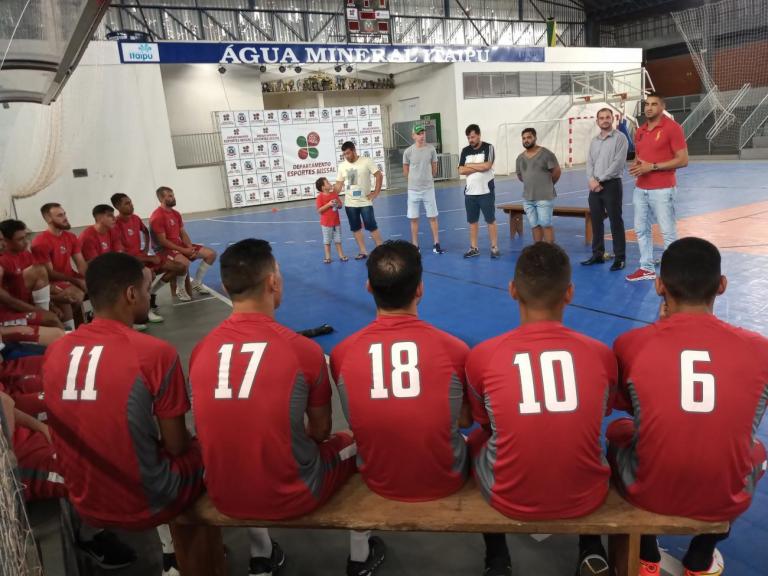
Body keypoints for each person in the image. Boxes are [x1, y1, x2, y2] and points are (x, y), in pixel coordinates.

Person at [42, 252, 224, 576]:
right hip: (144, 501)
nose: (147, 294)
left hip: (84, 499)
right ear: (130, 294)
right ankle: (213, 556)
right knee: (216, 449)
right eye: (145, 288)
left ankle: (170, 553)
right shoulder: (154, 353)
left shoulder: (56, 349)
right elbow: (177, 447)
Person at [190, 238, 360, 575]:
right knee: (358, 441)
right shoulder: (303, 352)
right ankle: (361, 553)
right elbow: (321, 432)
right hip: (293, 494)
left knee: (239, 444)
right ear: (272, 282)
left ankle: (262, 553)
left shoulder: (201, 350)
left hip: (223, 492)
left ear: (226, 285)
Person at [611, 237, 767, 576]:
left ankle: (646, 553)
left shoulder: (631, 344)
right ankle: (701, 557)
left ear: (659, 286)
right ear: (722, 285)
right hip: (723, 496)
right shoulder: (760, 349)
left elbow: (628, 406)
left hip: (647, 491)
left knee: (619, 432)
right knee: (755, 451)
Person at [466, 242, 616, 576]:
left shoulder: (483, 356)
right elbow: (602, 413)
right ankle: (592, 549)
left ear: (512, 290)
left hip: (509, 496)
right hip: (587, 494)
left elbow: (484, 423)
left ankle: (497, 559)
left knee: (477, 440)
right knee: (594, 438)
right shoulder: (601, 354)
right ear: (570, 293)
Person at [331, 240, 473, 575]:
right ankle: (497, 556)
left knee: (353, 439)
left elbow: (357, 420)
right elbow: (465, 420)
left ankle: (359, 554)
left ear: (368, 287)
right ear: (420, 289)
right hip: (446, 478)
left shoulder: (342, 353)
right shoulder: (455, 350)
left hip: (378, 477)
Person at [626, 92, 688, 282]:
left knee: (667, 232)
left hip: (662, 189)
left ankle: (673, 272)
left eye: (654, 104)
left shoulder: (673, 128)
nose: (649, 107)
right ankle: (646, 268)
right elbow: (640, 156)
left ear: (662, 107)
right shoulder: (640, 130)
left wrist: (652, 166)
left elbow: (683, 160)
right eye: (646, 104)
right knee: (641, 230)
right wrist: (637, 165)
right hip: (640, 188)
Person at [111, 192, 185, 323]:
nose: (131, 205)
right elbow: (123, 256)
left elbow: (145, 231)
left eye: (130, 202)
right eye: (127, 203)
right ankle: (147, 310)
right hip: (129, 263)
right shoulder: (116, 225)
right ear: (117, 207)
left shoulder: (135, 218)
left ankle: (151, 293)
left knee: (180, 267)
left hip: (142, 258)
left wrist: (145, 249)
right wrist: (149, 259)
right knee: (147, 275)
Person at [0, 219, 66, 345]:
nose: (26, 242)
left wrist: (50, 306)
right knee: (54, 324)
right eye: (20, 239)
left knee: (62, 305)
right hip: (5, 317)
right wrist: (39, 312)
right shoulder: (3, 261)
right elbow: (7, 299)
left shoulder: (24, 254)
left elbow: (38, 283)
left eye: (2, 240)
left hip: (18, 307)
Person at [150, 186, 217, 301]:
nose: (173, 198)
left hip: (177, 245)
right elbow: (163, 241)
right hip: (164, 249)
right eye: (170, 196)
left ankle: (196, 282)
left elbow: (182, 233)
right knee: (184, 263)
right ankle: (180, 289)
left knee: (211, 254)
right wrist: (184, 250)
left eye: (173, 195)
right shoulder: (157, 216)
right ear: (161, 199)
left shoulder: (176, 214)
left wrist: (190, 248)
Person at [582, 108, 628, 271]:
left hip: (612, 184)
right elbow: (589, 162)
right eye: (601, 118)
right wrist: (591, 180)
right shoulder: (594, 141)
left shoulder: (620, 138)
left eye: (607, 117)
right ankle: (597, 254)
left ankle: (620, 258)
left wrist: (599, 180)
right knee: (596, 221)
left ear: (612, 119)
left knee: (616, 221)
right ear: (597, 121)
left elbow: (618, 163)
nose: (605, 120)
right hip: (594, 186)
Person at [31, 203, 87, 331]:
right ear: (48, 219)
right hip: (52, 282)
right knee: (74, 295)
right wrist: (76, 281)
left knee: (99, 286)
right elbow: (49, 274)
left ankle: (82, 327)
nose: (65, 218)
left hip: (68, 279)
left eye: (64, 214)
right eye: (60, 215)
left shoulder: (71, 237)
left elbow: (81, 264)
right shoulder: (41, 242)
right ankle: (67, 328)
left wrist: (88, 279)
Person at [334, 141, 384, 260]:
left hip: (365, 201)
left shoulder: (366, 161)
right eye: (344, 154)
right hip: (350, 204)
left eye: (348, 153)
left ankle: (381, 250)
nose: (346, 156)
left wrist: (376, 192)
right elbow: (339, 184)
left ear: (354, 150)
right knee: (355, 228)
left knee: (371, 226)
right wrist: (330, 194)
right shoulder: (342, 166)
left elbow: (378, 175)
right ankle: (363, 251)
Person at [459, 124, 500, 258]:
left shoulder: (488, 147)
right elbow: (461, 170)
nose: (470, 140)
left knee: (490, 220)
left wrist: (469, 165)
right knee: (472, 221)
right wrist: (478, 167)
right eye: (468, 138)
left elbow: (487, 165)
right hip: (470, 193)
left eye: (472, 137)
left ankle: (494, 247)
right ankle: (474, 248)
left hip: (486, 192)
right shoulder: (465, 150)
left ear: (479, 135)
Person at [403, 124, 444, 253]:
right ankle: (415, 245)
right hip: (413, 190)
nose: (422, 135)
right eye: (419, 133)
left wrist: (428, 178)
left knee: (433, 216)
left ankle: (436, 243)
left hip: (428, 189)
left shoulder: (431, 149)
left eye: (423, 133)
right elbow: (405, 170)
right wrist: (413, 180)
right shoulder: (408, 152)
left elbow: (434, 168)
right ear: (413, 136)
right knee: (414, 218)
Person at [515, 128, 561, 244]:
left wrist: (548, 185)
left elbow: (556, 171)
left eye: (529, 137)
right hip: (528, 198)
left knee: (546, 224)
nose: (526, 140)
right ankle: (538, 250)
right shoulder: (520, 158)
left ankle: (550, 251)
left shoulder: (546, 154)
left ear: (535, 138)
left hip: (544, 197)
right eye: (524, 138)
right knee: (534, 225)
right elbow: (520, 176)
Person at [315, 177, 348, 263]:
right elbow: (319, 210)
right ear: (323, 187)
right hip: (326, 224)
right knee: (327, 241)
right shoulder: (320, 197)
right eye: (327, 183)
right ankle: (328, 257)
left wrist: (337, 204)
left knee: (338, 240)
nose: (330, 183)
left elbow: (340, 205)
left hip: (336, 222)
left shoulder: (334, 194)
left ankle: (341, 255)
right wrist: (329, 204)